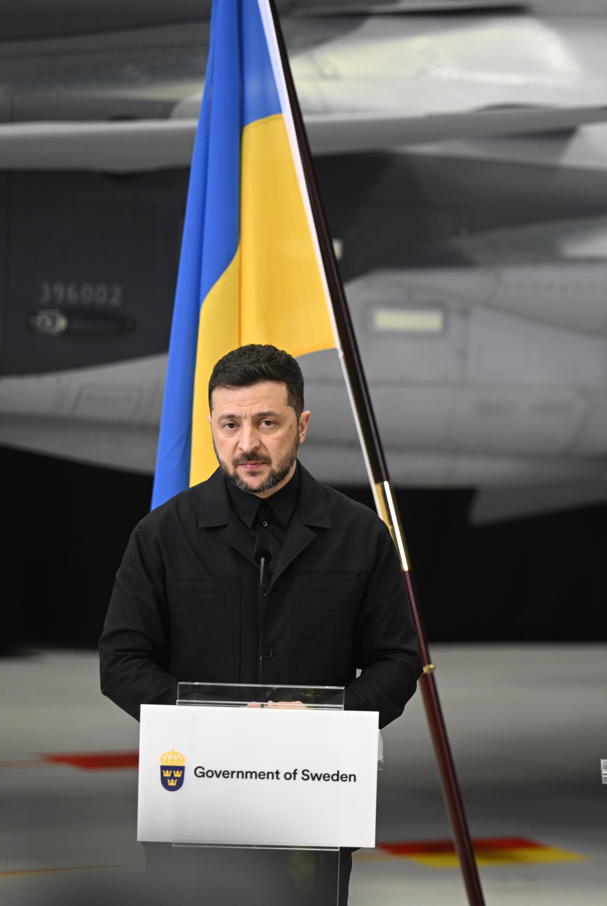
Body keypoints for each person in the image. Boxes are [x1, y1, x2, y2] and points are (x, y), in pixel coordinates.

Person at [99, 343, 422, 904]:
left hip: (313, 803)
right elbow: (121, 664)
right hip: (196, 802)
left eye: (266, 422)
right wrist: (215, 719)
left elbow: (398, 661)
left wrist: (328, 716)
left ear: (302, 426)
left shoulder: (360, 534)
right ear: (211, 427)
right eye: (230, 424)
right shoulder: (161, 536)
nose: (246, 443)